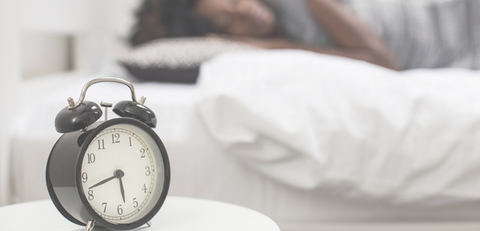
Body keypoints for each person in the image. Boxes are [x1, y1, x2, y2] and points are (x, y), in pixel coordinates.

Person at [129, 0, 480, 71]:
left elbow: (378, 58)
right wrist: (266, 48)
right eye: (226, 21)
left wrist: (269, 46)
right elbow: (382, 61)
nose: (241, 10)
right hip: (459, 45)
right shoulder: (274, 51)